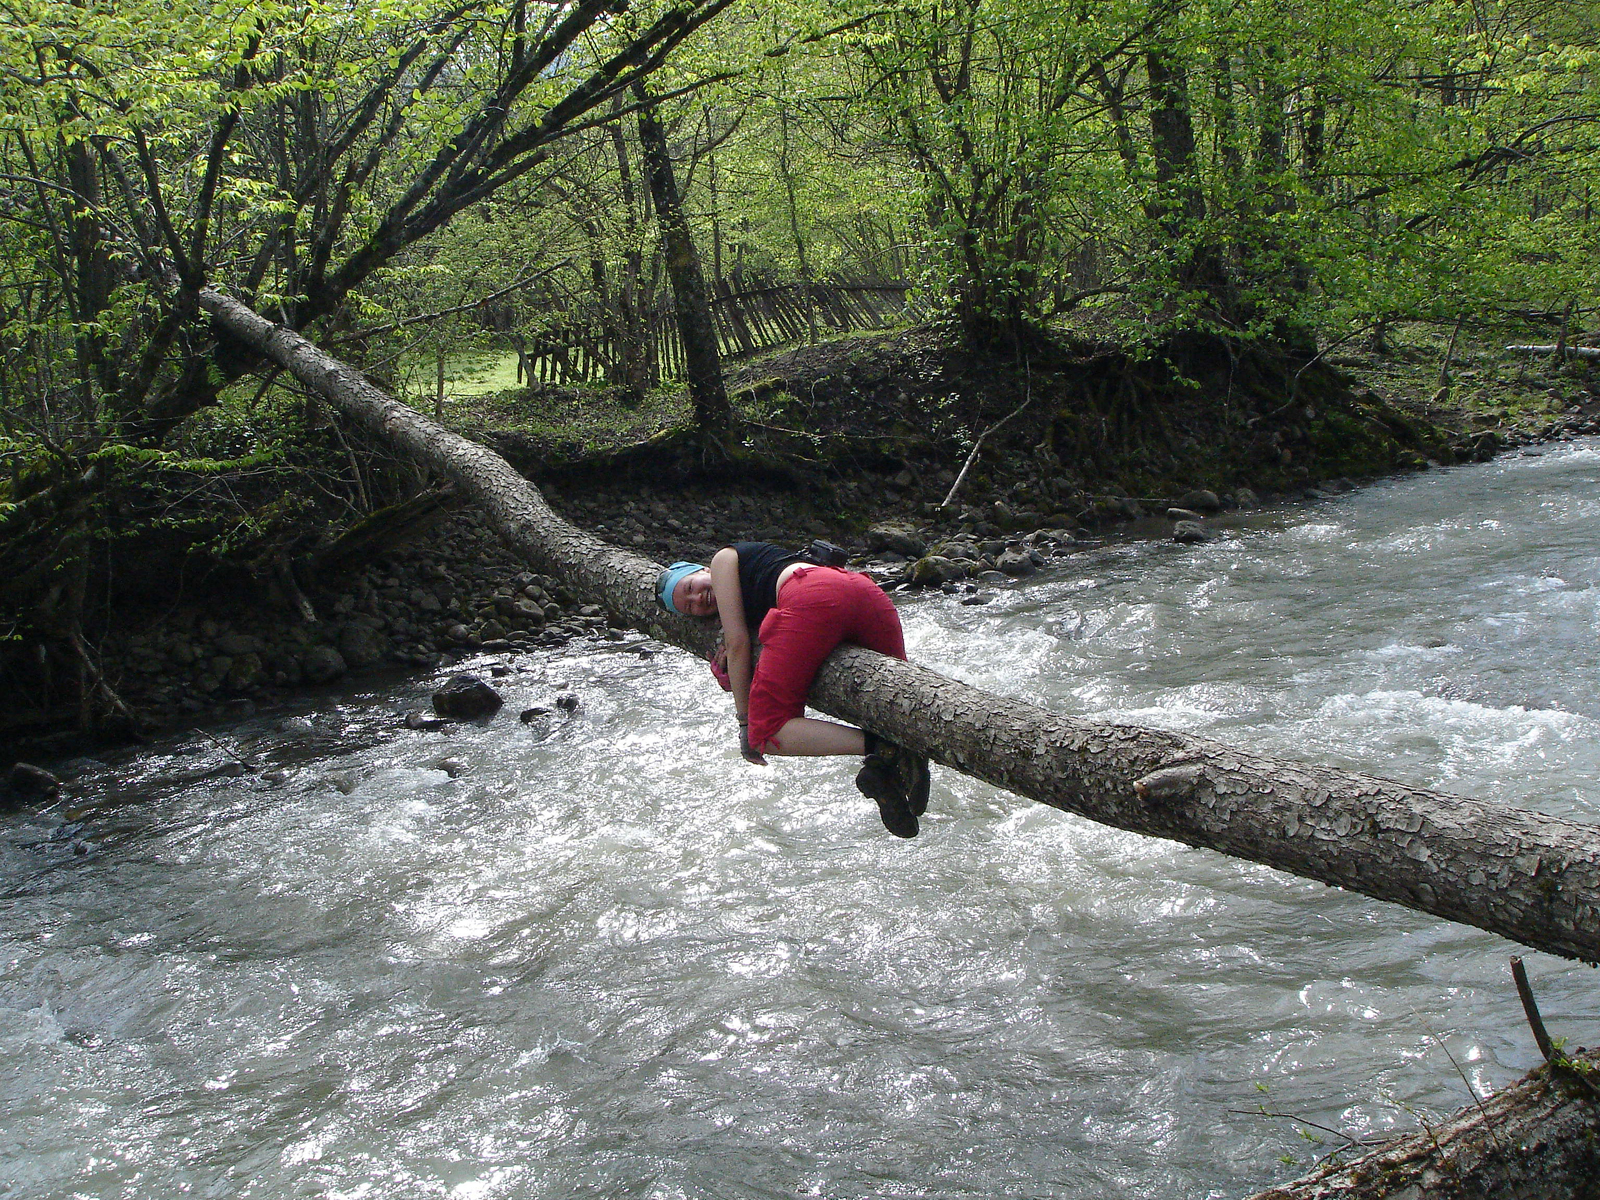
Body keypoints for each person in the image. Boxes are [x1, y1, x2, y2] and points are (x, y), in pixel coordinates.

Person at [656, 542, 931, 837]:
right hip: (865, 592)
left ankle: (882, 749)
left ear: (702, 570)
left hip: (810, 597)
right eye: (690, 606)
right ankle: (886, 768)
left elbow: (737, 645)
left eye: (689, 588)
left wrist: (745, 723)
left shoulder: (722, 559)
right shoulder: (757, 575)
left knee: (768, 732)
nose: (698, 598)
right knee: (897, 702)